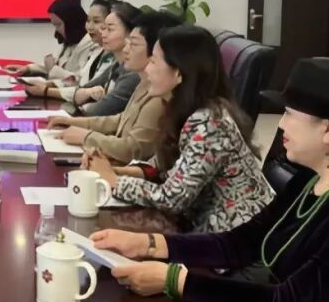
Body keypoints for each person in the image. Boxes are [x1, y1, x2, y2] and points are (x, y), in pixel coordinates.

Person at [92, 58, 329, 302]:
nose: (281, 124)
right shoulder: (312, 178)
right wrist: (147, 243)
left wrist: (174, 280)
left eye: (289, 114)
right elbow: (240, 243)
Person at [84, 25, 273, 232]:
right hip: (200, 228)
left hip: (237, 236)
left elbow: (172, 198)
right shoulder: (180, 109)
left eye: (154, 61)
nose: (147, 69)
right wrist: (111, 171)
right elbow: (159, 168)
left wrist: (113, 181)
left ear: (179, 72)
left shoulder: (210, 123)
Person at [51, 11, 182, 167]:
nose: (126, 49)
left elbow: (134, 149)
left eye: (133, 44)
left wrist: (87, 136)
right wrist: (70, 121)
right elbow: (121, 119)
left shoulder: (159, 95)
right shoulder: (145, 83)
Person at [26, 1, 141, 117]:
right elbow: (83, 89)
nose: (103, 33)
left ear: (131, 34)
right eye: (103, 28)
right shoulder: (116, 66)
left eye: (109, 29)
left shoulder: (132, 72)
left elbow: (97, 110)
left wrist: (48, 90)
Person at [3, 0, 96, 81]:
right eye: (54, 25)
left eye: (58, 24)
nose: (57, 30)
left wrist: (52, 69)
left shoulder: (91, 45)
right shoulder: (70, 41)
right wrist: (27, 69)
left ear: (71, 22)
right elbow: (54, 66)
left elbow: (81, 81)